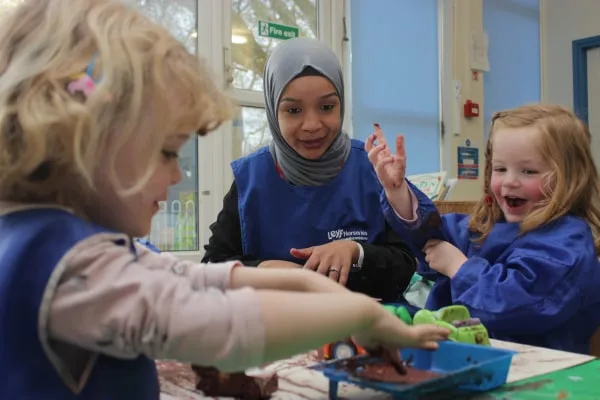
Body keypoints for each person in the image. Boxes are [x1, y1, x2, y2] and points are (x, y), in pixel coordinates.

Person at [0, 0, 449, 398]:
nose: (178, 174)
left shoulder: (52, 241)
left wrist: (335, 297)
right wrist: (361, 319)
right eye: (166, 151)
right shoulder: (69, 266)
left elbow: (196, 277)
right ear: (86, 144)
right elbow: (222, 327)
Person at [366, 104, 600, 354]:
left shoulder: (567, 243)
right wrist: (398, 191)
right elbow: (432, 235)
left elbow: (513, 303)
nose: (509, 181)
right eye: (500, 169)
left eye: (528, 171)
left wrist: (458, 268)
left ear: (569, 178)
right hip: (463, 358)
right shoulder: (487, 225)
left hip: (536, 371)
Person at [202, 38, 416, 303]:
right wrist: (264, 270)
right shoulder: (251, 179)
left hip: (368, 322)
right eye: (293, 110)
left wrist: (356, 252)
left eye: (327, 107)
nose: (312, 124)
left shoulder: (373, 168)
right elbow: (212, 267)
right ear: (273, 111)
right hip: (281, 324)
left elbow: (407, 264)